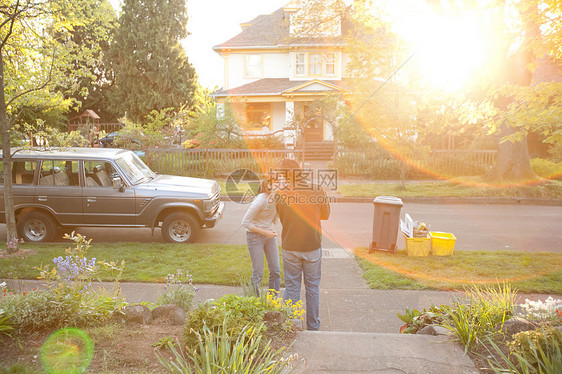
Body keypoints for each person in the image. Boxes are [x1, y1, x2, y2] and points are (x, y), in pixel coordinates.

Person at [275, 158, 331, 331]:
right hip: (312, 245)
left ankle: (291, 324)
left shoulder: (281, 193)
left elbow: (282, 218)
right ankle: (313, 326)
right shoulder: (317, 189)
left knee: (292, 287)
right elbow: (326, 215)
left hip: (290, 245)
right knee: (312, 288)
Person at [241, 179, 281, 295]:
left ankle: (273, 300)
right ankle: (254, 302)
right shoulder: (259, 201)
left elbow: (274, 217)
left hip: (269, 235)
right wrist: (265, 232)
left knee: (276, 270)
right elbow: (245, 222)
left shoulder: (278, 200)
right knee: (258, 272)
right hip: (254, 237)